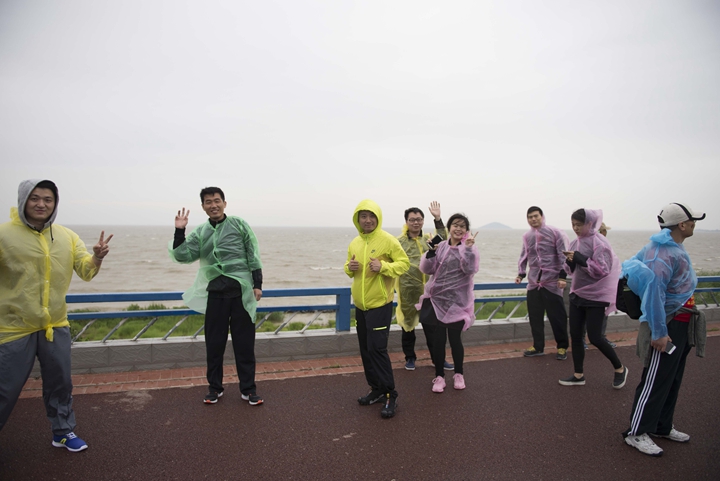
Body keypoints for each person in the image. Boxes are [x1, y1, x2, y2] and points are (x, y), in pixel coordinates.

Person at [0, 179, 113, 453]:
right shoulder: (4, 235)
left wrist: (97, 257)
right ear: (23, 200)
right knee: (5, 388)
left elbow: (85, 271)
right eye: (35, 198)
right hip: (13, 327)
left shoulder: (66, 236)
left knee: (60, 383)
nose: (41, 204)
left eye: (48, 199)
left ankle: (62, 431)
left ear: (55, 203)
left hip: (55, 324)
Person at [622, 203, 706, 457]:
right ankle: (636, 432)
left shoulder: (673, 248)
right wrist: (659, 332)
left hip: (681, 321)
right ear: (682, 224)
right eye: (692, 220)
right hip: (667, 323)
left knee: (672, 378)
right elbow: (654, 294)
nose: (694, 224)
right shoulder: (662, 253)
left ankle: (661, 425)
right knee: (655, 379)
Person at [170, 187, 264, 406]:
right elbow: (182, 255)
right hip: (216, 295)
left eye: (216, 200)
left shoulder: (239, 225)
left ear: (224, 203)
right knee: (214, 345)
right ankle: (214, 388)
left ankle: (248, 389)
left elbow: (253, 253)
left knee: (244, 345)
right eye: (208, 202)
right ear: (203, 206)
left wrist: (257, 284)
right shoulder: (201, 232)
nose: (213, 205)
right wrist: (179, 231)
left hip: (241, 293)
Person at [345, 200, 409, 418]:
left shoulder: (388, 240)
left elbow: (404, 264)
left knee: (377, 350)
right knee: (366, 349)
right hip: (360, 306)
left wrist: (383, 266)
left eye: (371, 216)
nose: (368, 220)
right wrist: (349, 267)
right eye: (363, 216)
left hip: (380, 305)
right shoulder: (355, 242)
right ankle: (376, 389)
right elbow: (348, 266)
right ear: (357, 219)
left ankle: (391, 394)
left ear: (378, 218)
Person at [559, 208, 628, 388]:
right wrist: (570, 262)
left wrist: (581, 259)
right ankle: (578, 374)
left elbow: (603, 270)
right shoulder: (574, 242)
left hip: (597, 296)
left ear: (589, 223)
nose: (575, 228)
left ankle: (620, 368)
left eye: (579, 224)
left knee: (595, 337)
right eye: (573, 224)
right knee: (576, 336)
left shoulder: (600, 242)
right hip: (577, 293)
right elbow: (570, 271)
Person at [417, 213, 479, 393]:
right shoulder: (441, 246)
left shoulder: (469, 247)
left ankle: (459, 374)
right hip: (436, 300)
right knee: (438, 340)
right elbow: (427, 269)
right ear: (449, 228)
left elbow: (469, 270)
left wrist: (468, 250)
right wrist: (431, 251)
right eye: (455, 225)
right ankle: (439, 376)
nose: (458, 229)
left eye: (462, 226)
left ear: (466, 230)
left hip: (457, 302)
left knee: (455, 340)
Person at [395, 201, 453, 371]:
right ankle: (410, 357)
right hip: (408, 291)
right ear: (406, 221)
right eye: (412, 219)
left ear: (422, 221)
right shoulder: (398, 242)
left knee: (432, 329)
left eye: (419, 219)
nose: (416, 222)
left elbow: (444, 238)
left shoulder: (428, 239)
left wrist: (438, 219)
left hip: (428, 291)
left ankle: (438, 359)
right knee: (408, 327)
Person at [515, 206, 570, 360]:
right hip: (534, 283)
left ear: (542, 216)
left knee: (557, 317)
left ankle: (562, 347)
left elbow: (563, 255)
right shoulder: (527, 236)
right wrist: (521, 274)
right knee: (535, 317)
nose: (533, 219)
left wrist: (562, 276)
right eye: (530, 217)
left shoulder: (555, 232)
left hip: (552, 282)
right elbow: (524, 255)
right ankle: (538, 346)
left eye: (535, 216)